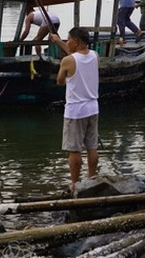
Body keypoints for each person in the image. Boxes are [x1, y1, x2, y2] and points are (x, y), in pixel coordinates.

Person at [49, 28, 99, 193]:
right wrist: (58, 41)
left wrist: (63, 71)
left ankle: (75, 183)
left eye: (69, 39)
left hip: (76, 111)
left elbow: (60, 81)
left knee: (74, 149)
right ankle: (91, 178)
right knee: (92, 146)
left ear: (76, 41)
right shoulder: (94, 56)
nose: (67, 41)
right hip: (93, 107)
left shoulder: (67, 61)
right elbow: (76, 56)